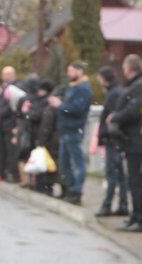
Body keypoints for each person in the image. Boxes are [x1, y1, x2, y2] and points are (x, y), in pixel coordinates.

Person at [108, 54, 142, 232]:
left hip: (137, 140)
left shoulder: (140, 85)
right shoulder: (138, 84)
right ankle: (136, 216)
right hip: (131, 140)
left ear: (128, 68)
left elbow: (134, 110)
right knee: (133, 181)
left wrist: (116, 117)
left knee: (138, 182)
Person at [48, 61, 93, 205]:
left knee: (76, 162)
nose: (69, 74)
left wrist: (60, 105)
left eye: (71, 71)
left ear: (79, 71)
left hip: (74, 129)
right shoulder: (73, 87)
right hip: (66, 129)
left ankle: (76, 190)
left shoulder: (83, 88)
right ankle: (69, 188)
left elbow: (77, 109)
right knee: (64, 162)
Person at [95, 66, 129, 218]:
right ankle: (122, 204)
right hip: (116, 138)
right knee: (120, 173)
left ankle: (108, 205)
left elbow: (111, 117)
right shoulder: (117, 92)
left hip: (113, 139)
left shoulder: (114, 94)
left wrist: (104, 135)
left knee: (113, 173)